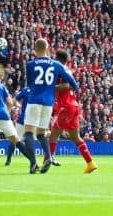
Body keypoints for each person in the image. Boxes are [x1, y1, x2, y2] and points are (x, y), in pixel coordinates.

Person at [24, 38, 79, 174]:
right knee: (41, 133)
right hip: (48, 103)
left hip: (34, 100)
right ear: (47, 48)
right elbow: (73, 83)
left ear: (35, 49)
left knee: (29, 132)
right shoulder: (56, 65)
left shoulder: (30, 64)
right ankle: (48, 157)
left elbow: (30, 84)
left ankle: (33, 163)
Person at [49, 50, 97, 174]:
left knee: (53, 135)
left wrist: (49, 88)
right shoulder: (67, 70)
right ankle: (90, 163)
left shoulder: (60, 70)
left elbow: (65, 86)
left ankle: (46, 161)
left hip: (66, 106)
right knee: (76, 137)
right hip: (74, 106)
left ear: (58, 59)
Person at [5, 86, 29, 166]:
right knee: (35, 138)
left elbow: (14, 100)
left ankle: (8, 159)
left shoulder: (25, 89)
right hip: (33, 119)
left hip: (23, 119)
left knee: (14, 140)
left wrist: (19, 105)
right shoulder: (39, 88)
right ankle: (47, 158)